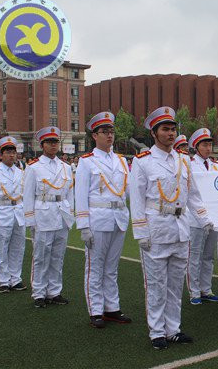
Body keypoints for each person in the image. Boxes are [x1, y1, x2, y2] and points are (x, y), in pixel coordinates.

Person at [129, 106, 212, 350]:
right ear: (154, 133)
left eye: (173, 129)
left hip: (180, 227)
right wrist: (141, 231)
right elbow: (137, 199)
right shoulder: (143, 162)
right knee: (155, 284)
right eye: (165, 129)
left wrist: (204, 218)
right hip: (156, 228)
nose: (170, 133)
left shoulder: (183, 160)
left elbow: (193, 195)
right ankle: (157, 332)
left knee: (175, 284)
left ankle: (173, 329)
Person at [75, 112, 132, 328]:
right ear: (94, 136)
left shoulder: (120, 160)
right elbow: (80, 195)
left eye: (111, 131)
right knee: (95, 267)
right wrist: (83, 225)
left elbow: (127, 191)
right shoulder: (86, 162)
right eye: (104, 132)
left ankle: (112, 308)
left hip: (119, 217)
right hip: (98, 219)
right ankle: (96, 311)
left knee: (111, 267)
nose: (109, 136)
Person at [23, 127, 75, 308]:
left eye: (55, 142)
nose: (53, 145)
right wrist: (30, 219)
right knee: (41, 255)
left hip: (61, 214)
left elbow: (70, 193)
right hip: (42, 214)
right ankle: (38, 292)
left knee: (57, 255)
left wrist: (71, 214)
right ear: (42, 144)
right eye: (49, 142)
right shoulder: (34, 167)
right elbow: (28, 195)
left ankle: (54, 291)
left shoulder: (66, 167)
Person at [0, 136, 27, 293]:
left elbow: (25, 195)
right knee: (1, 248)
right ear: (0, 155)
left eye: (13, 152)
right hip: (1, 213)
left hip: (18, 213)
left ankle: (16, 278)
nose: (12, 155)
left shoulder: (21, 172)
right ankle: (3, 280)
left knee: (18, 247)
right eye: (8, 152)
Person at [185, 128, 218, 305]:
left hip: (213, 217)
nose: (208, 148)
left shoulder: (215, 166)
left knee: (208, 256)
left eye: (210, 144)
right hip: (195, 217)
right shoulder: (190, 164)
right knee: (194, 256)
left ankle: (206, 289)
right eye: (204, 145)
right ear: (196, 146)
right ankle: (194, 292)